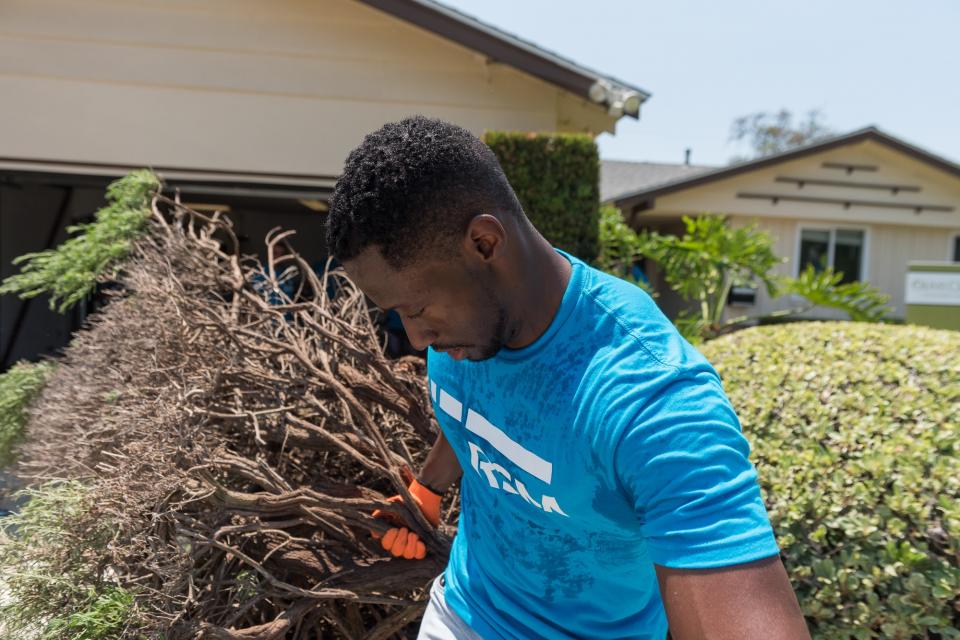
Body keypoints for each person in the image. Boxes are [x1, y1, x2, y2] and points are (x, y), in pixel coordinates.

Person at [326, 116, 810, 640]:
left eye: (416, 309)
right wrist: (428, 487)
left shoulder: (650, 401)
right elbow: (473, 412)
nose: (415, 340)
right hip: (463, 615)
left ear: (485, 243)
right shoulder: (470, 330)